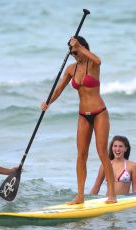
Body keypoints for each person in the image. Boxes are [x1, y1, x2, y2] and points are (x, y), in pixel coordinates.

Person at [41, 36, 116, 204]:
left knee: (102, 152)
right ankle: (80, 196)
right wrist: (48, 103)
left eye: (77, 51)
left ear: (83, 47)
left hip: (99, 113)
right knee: (81, 155)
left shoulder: (93, 64)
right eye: (73, 53)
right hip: (83, 115)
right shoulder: (71, 69)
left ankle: (112, 194)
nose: (76, 55)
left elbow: (99, 59)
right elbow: (59, 89)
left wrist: (80, 47)